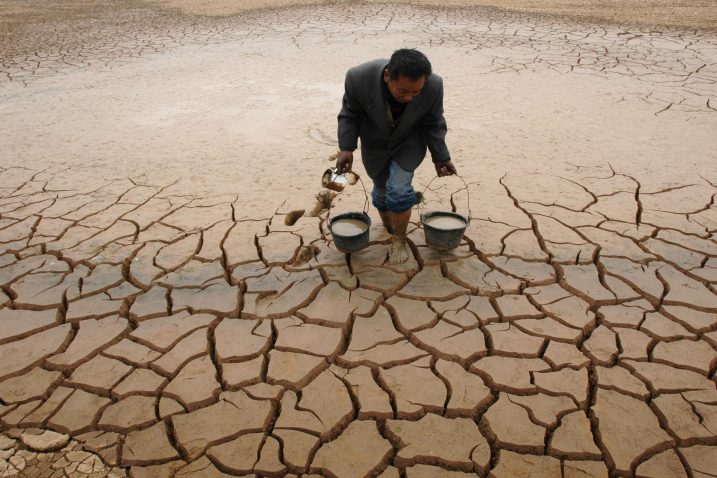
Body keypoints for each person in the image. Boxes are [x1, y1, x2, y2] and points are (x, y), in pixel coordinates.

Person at [336, 48, 457, 264]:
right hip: (375, 142)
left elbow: (434, 123)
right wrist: (347, 148)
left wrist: (441, 157)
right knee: (382, 193)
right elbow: (350, 114)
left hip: (409, 142)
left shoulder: (433, 85)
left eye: (415, 93)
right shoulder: (358, 78)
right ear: (387, 76)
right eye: (403, 91)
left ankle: (399, 240)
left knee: (399, 190)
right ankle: (390, 226)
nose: (409, 97)